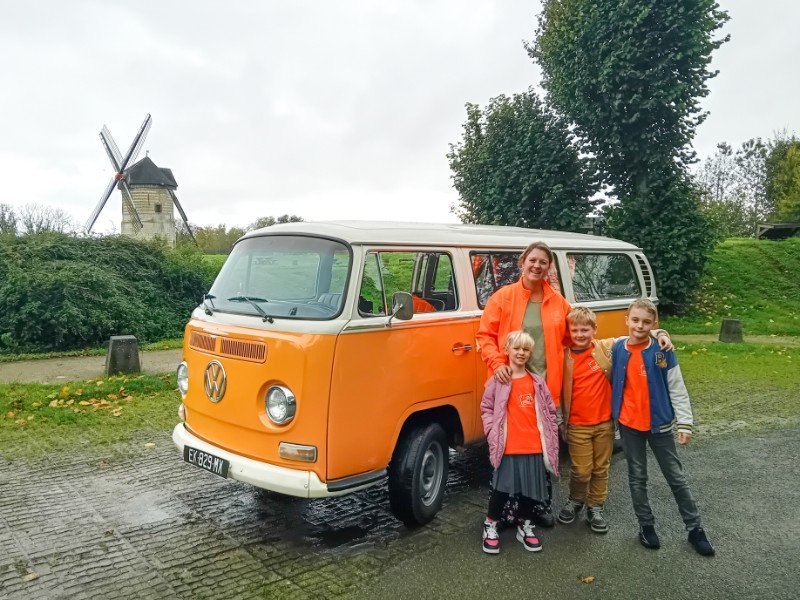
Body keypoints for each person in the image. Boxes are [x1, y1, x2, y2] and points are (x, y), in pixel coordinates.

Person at [476, 241, 571, 526]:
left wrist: (655, 335)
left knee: (541, 448)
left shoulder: (559, 303)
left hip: (543, 389)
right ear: (522, 262)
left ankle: (537, 509)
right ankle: (505, 511)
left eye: (543, 261)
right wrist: (497, 364)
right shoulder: (503, 297)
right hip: (509, 386)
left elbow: (577, 337)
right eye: (532, 260)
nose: (537, 266)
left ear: (548, 266)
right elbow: (485, 336)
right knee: (508, 450)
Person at [611, 299, 715, 556]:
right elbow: (589, 338)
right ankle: (646, 527)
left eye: (647, 322)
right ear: (626, 319)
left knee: (676, 478)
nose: (640, 326)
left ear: (654, 323)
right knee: (637, 477)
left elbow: (677, 387)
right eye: (635, 320)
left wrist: (685, 423)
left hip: (659, 425)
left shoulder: (662, 350)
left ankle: (695, 529)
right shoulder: (616, 347)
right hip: (629, 426)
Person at [557, 306, 672, 534]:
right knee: (581, 470)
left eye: (585, 330)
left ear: (594, 330)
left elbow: (636, 333)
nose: (580, 335)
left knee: (601, 468)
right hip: (577, 425)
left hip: (604, 424)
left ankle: (595, 505)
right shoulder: (564, 357)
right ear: (568, 331)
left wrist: (661, 333)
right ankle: (576, 499)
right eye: (575, 330)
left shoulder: (606, 348)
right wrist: (561, 422)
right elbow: (557, 393)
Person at [480, 331, 559, 554]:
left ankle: (525, 525)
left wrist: (549, 437)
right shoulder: (497, 380)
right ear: (507, 350)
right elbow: (486, 408)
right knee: (501, 490)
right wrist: (491, 431)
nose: (521, 353)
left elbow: (549, 412)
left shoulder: (537, 382)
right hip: (508, 446)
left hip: (533, 445)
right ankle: (491, 524)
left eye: (525, 349)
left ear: (530, 353)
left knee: (529, 490)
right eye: (517, 348)